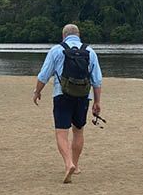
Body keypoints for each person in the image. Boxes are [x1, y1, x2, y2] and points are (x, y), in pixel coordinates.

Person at [33, 24, 102, 183]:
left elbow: (44, 75)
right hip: (83, 96)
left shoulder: (56, 50)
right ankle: (76, 165)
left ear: (63, 36)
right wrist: (97, 102)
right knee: (78, 131)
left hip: (62, 95)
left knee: (61, 132)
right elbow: (97, 80)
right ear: (79, 35)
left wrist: (37, 92)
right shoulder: (90, 52)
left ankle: (68, 163)